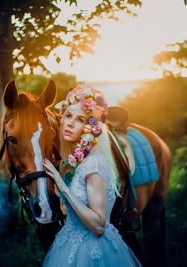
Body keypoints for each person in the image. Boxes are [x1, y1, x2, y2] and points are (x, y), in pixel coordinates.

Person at [42, 85, 142, 267]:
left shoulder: (93, 164)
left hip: (93, 252)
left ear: (89, 129)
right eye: (68, 116)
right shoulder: (75, 163)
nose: (70, 123)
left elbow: (98, 227)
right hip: (68, 244)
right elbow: (68, 213)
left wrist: (62, 186)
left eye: (80, 119)